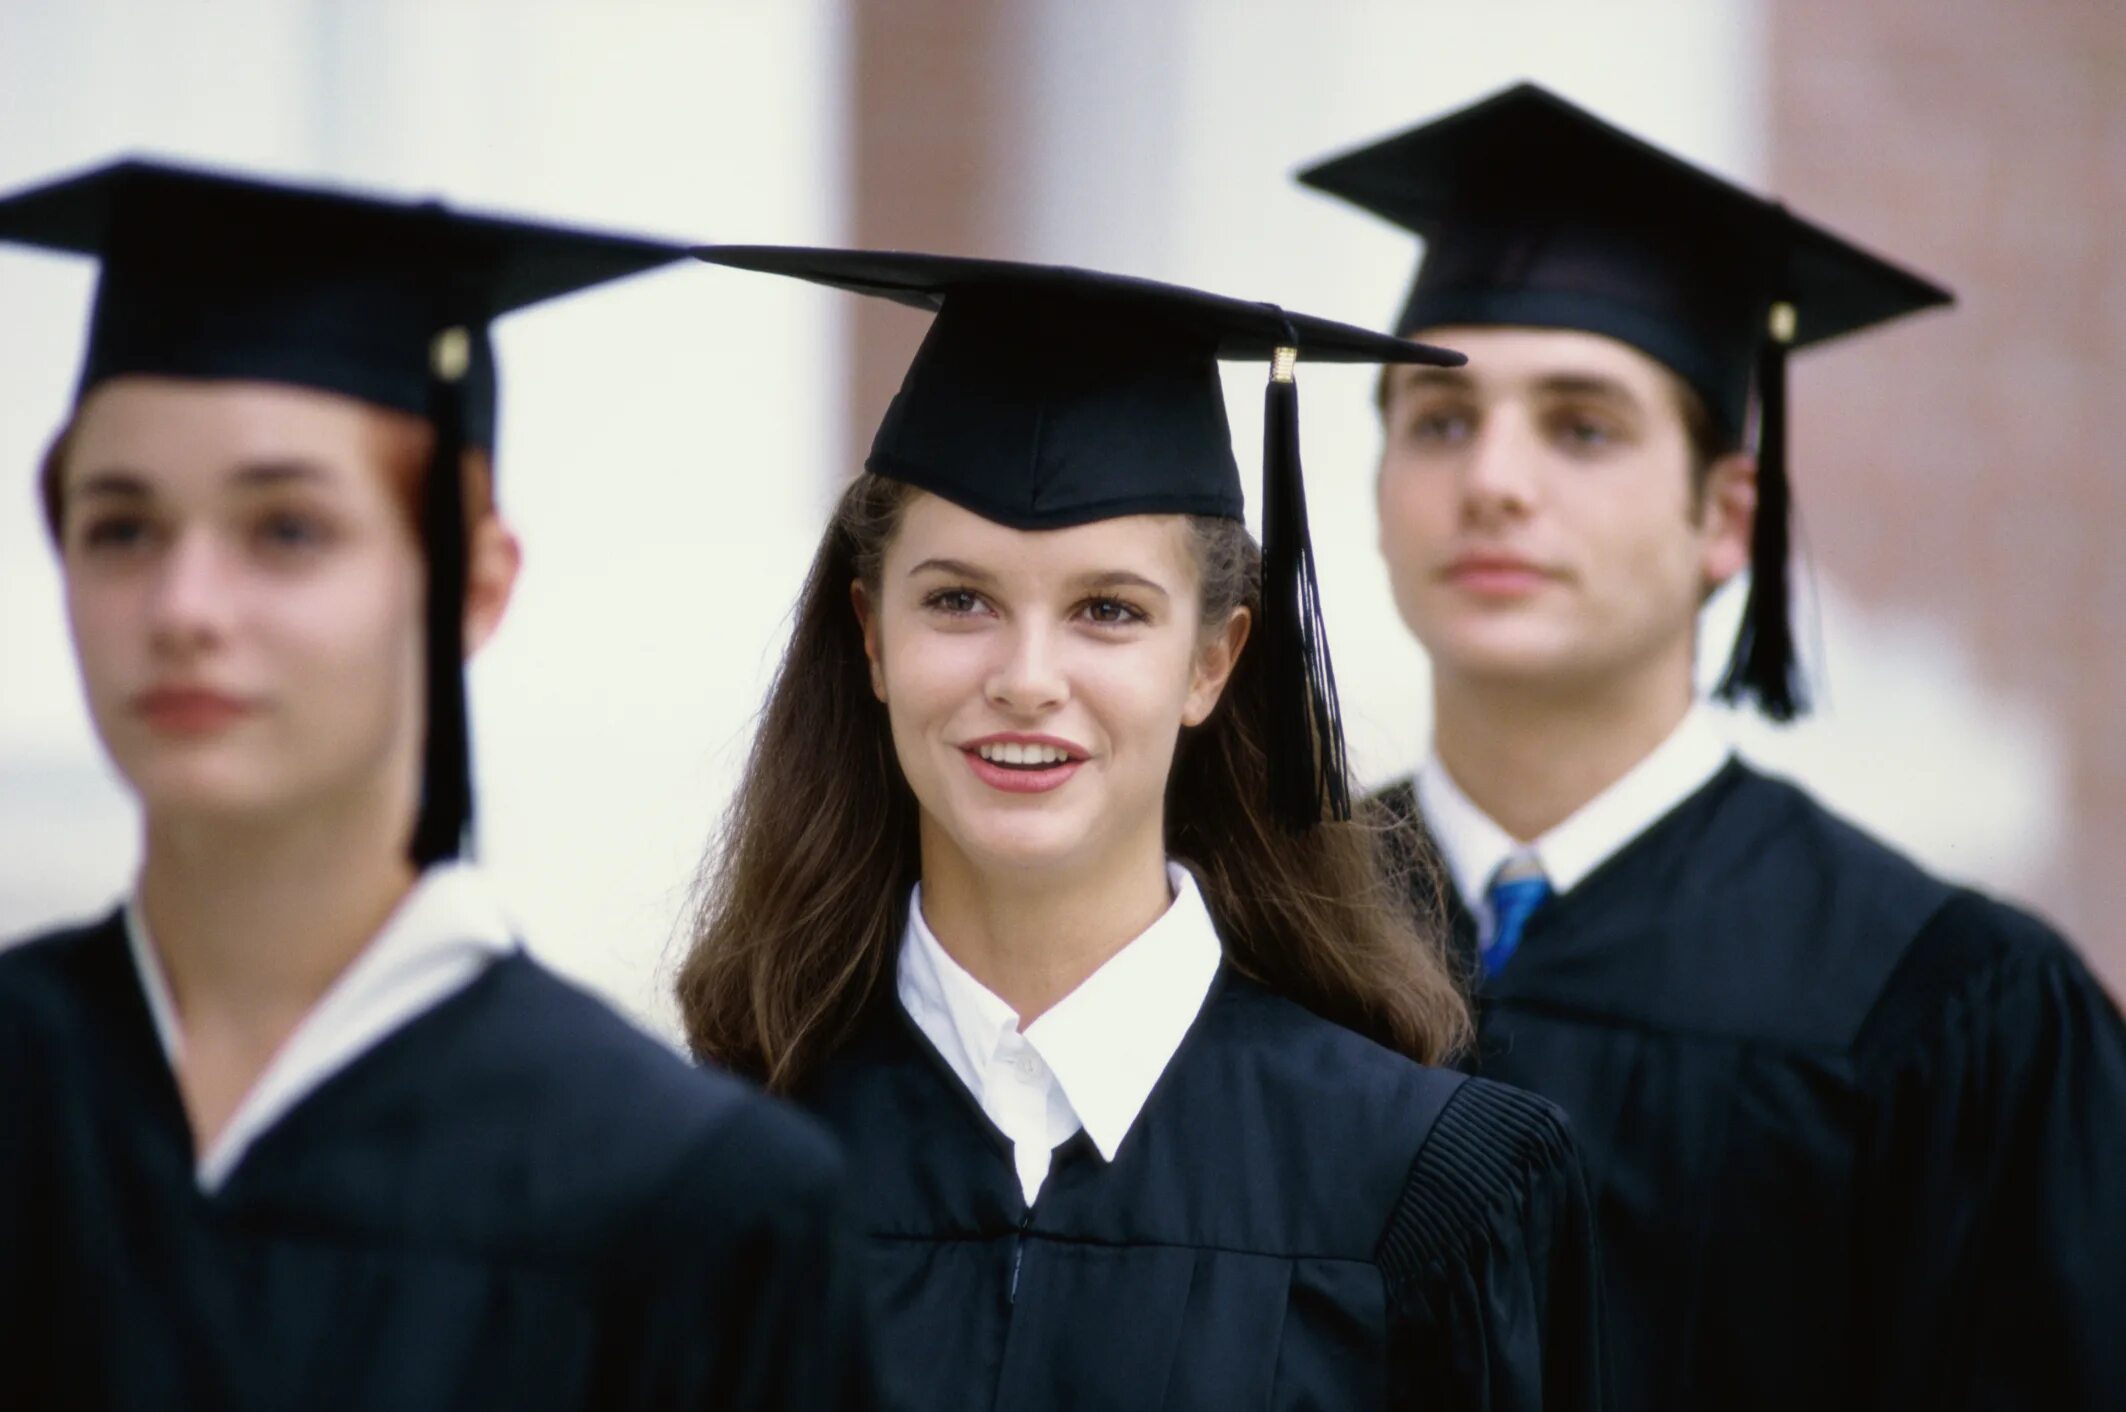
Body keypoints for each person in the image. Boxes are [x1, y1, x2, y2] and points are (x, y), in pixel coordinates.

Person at [1298, 82, 2126, 1409]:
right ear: (1380, 490)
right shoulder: (1251, 933)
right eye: (1438, 420)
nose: (1493, 479)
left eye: (1580, 426)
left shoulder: (1948, 1010)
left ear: (1725, 517)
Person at [0, 160, 875, 1411]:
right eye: (121, 527)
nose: (184, 607)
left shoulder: (688, 1198)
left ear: (471, 577)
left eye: (285, 530)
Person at [677, 245, 1607, 1411]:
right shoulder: (709, 1175)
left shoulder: (1420, 1190)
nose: (1025, 677)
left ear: (1213, 659)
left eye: (1106, 610)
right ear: (869, 635)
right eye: (956, 599)